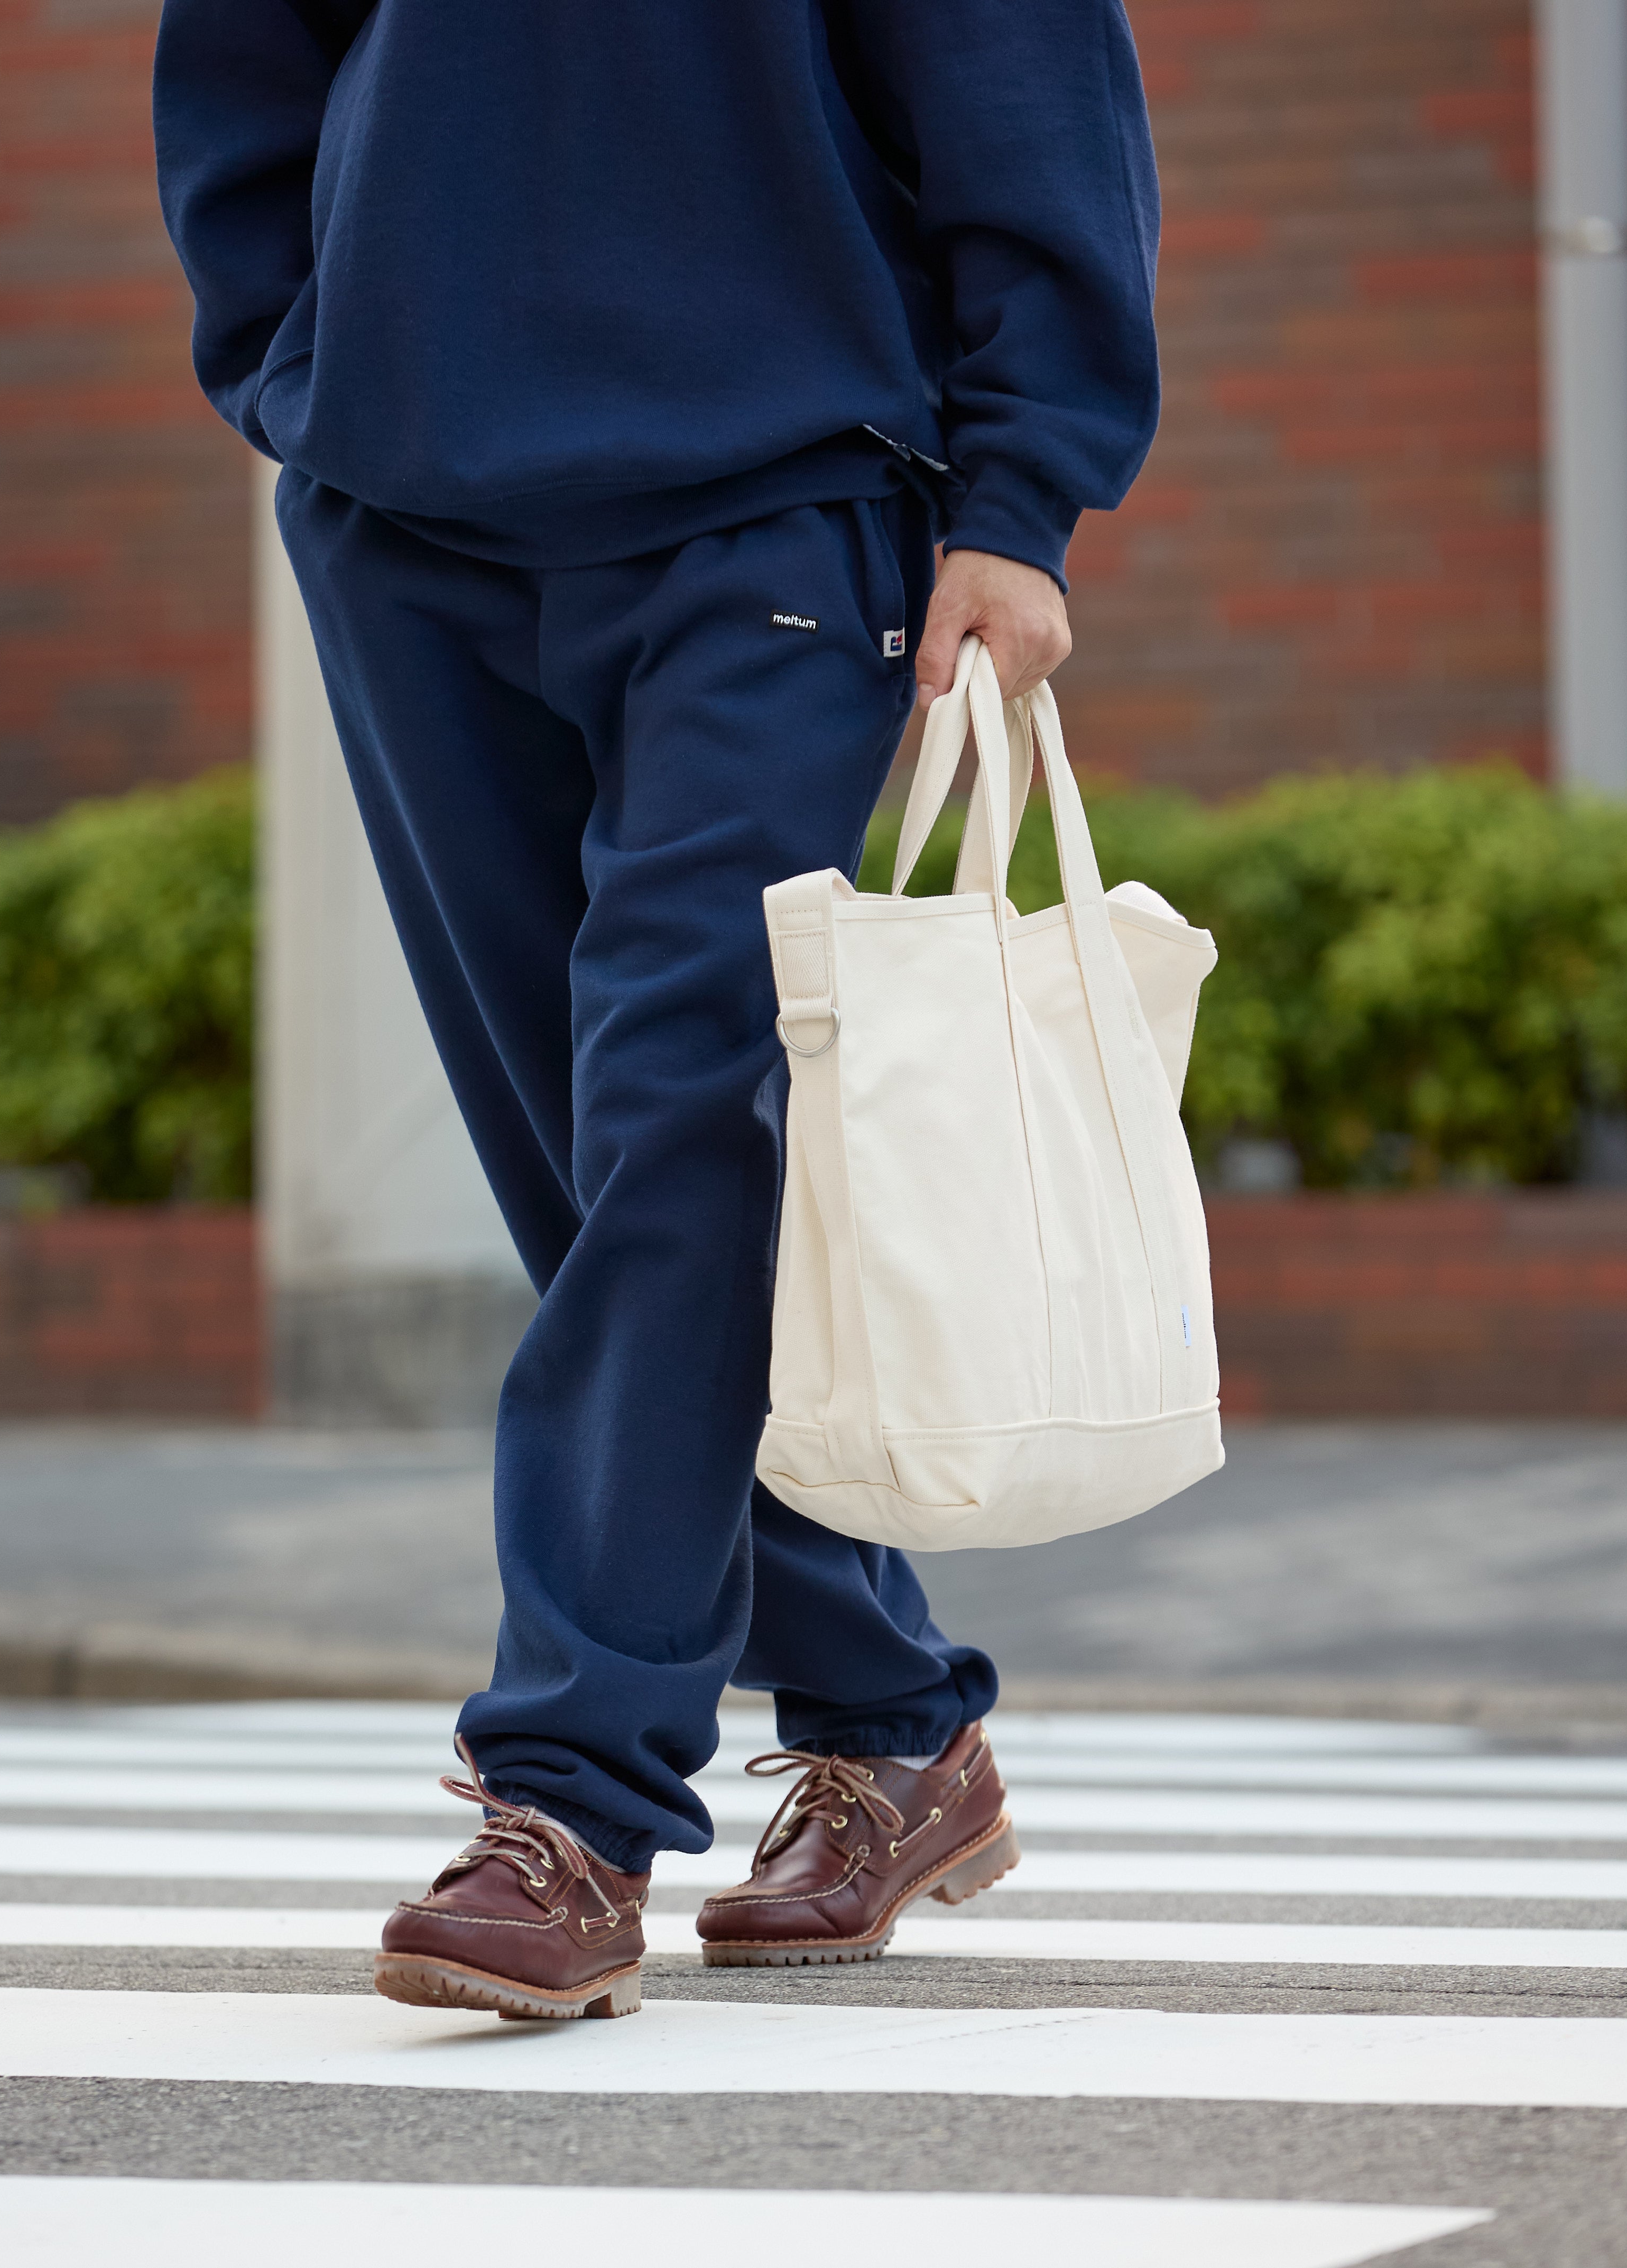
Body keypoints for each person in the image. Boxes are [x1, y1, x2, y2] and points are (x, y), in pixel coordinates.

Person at [155, 0, 1160, 2018]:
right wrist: (300, 369)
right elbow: (245, 55)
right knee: (588, 1163)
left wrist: (1021, 498)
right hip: (404, 519)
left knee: (686, 1120)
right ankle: (888, 1721)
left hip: (775, 499)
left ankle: (571, 1796)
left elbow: (1024, 86)